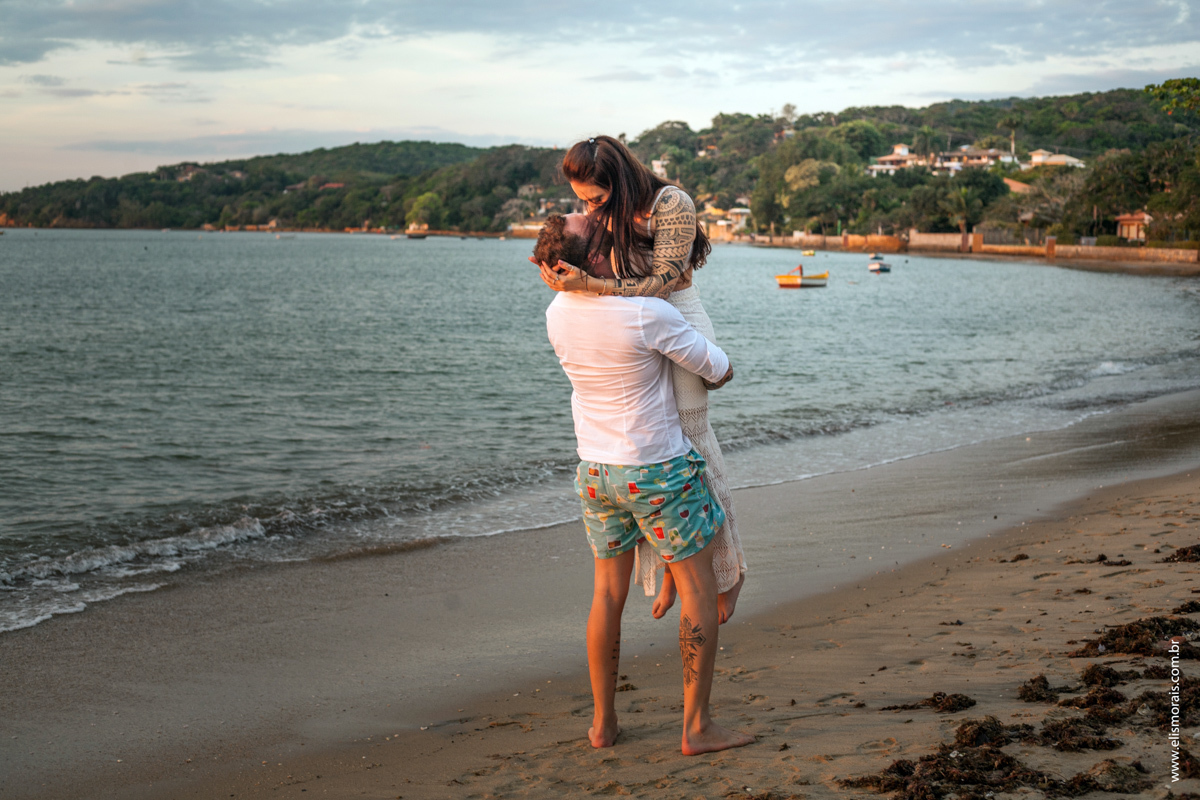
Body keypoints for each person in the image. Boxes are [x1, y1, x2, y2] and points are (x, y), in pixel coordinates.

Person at [544, 249, 754, 755]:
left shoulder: (558, 311)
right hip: (657, 469)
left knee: (606, 597)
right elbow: (719, 370)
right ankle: (696, 727)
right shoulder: (648, 312)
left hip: (595, 470)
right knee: (699, 593)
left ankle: (602, 724)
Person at [538, 135, 747, 624]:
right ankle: (675, 569)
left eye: (594, 197)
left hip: (679, 320)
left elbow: (666, 280)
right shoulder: (603, 215)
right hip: (634, 325)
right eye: (581, 199)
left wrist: (591, 286)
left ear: (620, 179)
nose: (587, 209)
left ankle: (731, 571)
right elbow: (595, 262)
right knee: (659, 454)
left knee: (695, 447)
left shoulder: (670, 203)